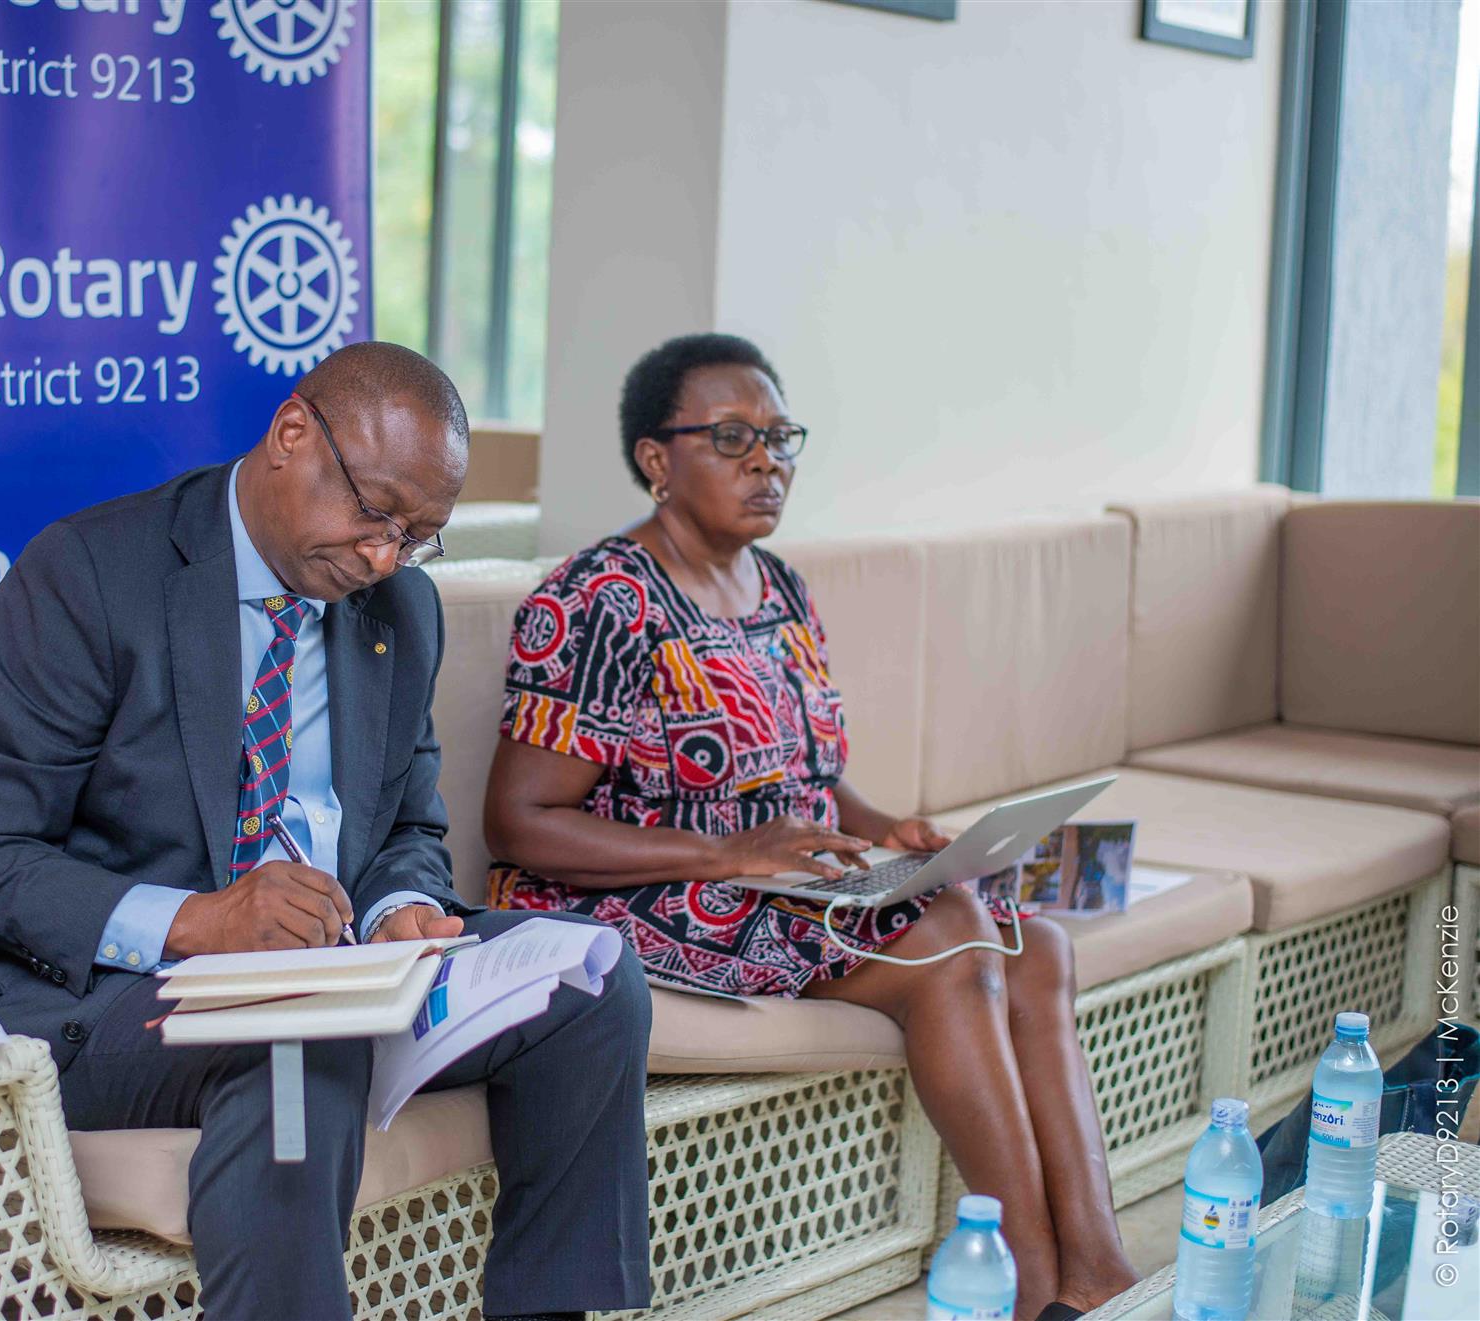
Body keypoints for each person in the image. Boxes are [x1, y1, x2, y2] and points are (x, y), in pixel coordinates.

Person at [0, 341, 653, 1321]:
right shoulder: (92, 575)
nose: (383, 556)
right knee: (299, 1042)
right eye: (375, 512)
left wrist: (399, 907)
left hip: (334, 972)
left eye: (417, 536)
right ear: (292, 433)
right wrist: (197, 922)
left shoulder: (399, 610)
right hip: (105, 995)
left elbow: (407, 823)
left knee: (591, 978)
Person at [482, 333, 1137, 1321]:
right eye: (732, 438)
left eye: (780, 437)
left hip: (771, 883)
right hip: (633, 895)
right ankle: (1029, 1291)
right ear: (657, 459)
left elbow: (814, 786)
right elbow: (521, 822)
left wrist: (890, 830)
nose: (767, 461)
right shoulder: (601, 599)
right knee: (955, 942)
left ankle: (1098, 1270)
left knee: (1035, 943)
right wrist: (730, 853)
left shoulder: (780, 588)